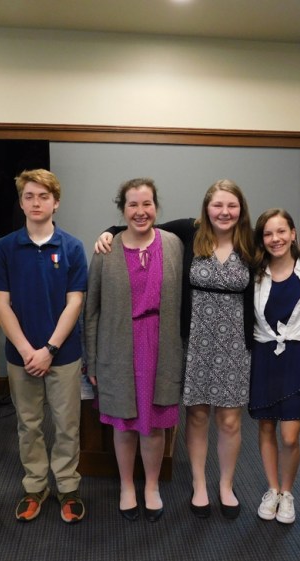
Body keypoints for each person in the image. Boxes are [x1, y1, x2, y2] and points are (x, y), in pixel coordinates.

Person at [97, 179, 255, 519]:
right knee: (195, 416)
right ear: (206, 209)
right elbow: (137, 226)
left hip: (232, 345)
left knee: (228, 421)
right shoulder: (190, 233)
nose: (224, 212)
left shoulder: (251, 244)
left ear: (241, 209)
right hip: (193, 340)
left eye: (231, 205)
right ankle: (199, 485)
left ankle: (225, 486)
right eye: (217, 205)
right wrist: (109, 230)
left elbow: (284, 252)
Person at [0, 169, 88, 525]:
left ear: (55, 203)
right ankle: (35, 487)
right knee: (28, 424)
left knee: (66, 424)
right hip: (21, 356)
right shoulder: (5, 247)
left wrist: (48, 348)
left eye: (43, 196)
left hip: (62, 354)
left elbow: (74, 302)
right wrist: (29, 350)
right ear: (21, 202)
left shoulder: (72, 247)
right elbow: (1, 304)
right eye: (29, 196)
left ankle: (67, 487)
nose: (36, 202)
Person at [85, 178, 183, 523]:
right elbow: (91, 309)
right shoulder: (105, 250)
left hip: (162, 344)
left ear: (156, 206)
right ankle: (127, 485)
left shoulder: (173, 244)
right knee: (124, 423)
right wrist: (93, 359)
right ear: (122, 209)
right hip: (118, 344)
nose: (140, 212)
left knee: (155, 423)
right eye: (132, 205)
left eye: (147, 204)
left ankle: (151, 485)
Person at [249, 208, 300, 525]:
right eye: (268, 233)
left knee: (290, 435)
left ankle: (287, 493)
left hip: (297, 356)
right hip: (264, 355)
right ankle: (273, 489)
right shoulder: (255, 273)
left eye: (281, 231)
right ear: (262, 239)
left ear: (292, 233)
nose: (275, 238)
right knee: (266, 427)